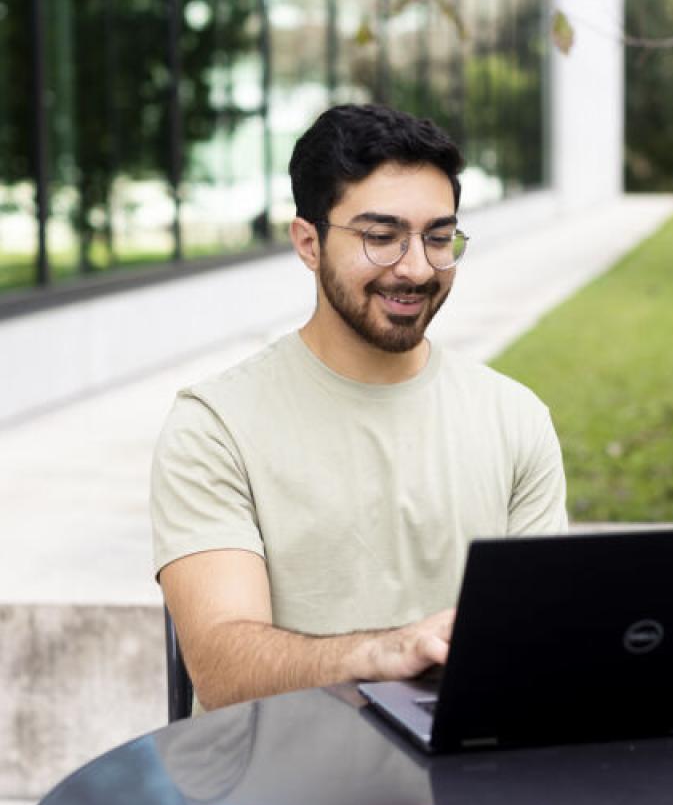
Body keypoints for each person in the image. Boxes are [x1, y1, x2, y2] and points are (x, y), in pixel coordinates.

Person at [151, 104, 568, 711]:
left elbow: (545, 639)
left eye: (439, 238)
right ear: (308, 243)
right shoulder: (215, 426)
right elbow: (222, 669)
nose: (417, 267)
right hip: (279, 784)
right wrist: (381, 655)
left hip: (466, 774)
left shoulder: (514, 416)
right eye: (381, 237)